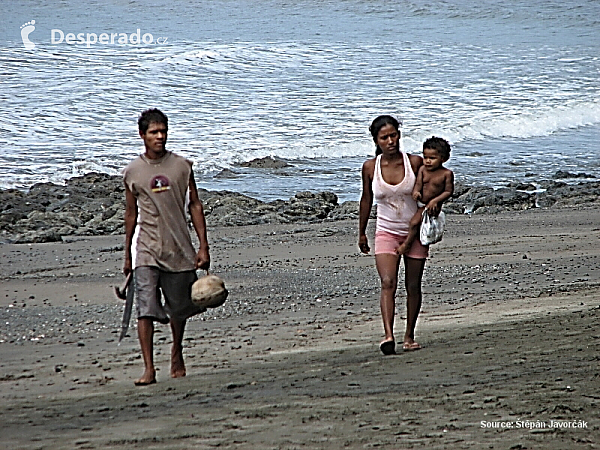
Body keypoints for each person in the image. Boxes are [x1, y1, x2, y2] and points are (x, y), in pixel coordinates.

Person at [123, 108, 210, 385]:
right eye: (153, 132)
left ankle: (176, 350)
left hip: (179, 247)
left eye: (163, 131)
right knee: (145, 308)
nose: (159, 137)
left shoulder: (182, 166)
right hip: (147, 248)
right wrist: (127, 254)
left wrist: (203, 246)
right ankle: (149, 368)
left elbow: (195, 204)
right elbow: (130, 214)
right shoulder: (132, 172)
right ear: (142, 136)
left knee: (179, 308)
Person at [358, 115, 427, 355]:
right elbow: (366, 200)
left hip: (415, 233)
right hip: (385, 231)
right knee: (388, 282)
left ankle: (409, 336)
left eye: (394, 135)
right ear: (376, 140)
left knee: (413, 285)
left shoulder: (414, 163)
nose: (391, 141)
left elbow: (429, 192)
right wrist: (362, 233)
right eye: (384, 137)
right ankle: (388, 335)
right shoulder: (370, 167)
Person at [395, 136, 454, 255]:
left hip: (432, 205)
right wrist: (416, 192)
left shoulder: (446, 174)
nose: (427, 161)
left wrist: (435, 201)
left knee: (414, 223)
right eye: (425, 157)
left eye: (432, 158)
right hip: (420, 202)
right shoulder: (423, 170)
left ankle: (407, 244)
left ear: (444, 158)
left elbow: (448, 191)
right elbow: (418, 184)